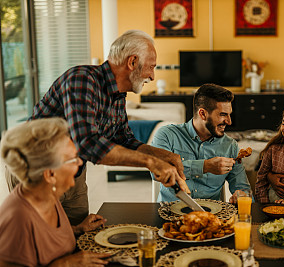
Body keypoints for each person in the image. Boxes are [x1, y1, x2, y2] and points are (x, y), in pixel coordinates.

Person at [5, 30, 189, 225]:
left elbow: (124, 139)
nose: (152, 76)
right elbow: (87, 143)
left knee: (77, 240)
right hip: (37, 173)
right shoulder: (81, 79)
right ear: (132, 62)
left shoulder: (118, 94)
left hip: (72, 174)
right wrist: (150, 163)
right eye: (151, 67)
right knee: (42, 246)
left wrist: (163, 155)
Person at [0, 118, 111, 267]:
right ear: (50, 174)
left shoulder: (48, 195)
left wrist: (78, 228)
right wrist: (64, 264)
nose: (80, 163)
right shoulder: (17, 219)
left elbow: (42, 240)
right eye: (73, 160)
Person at [151, 84, 251, 203]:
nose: (229, 121)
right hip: (170, 213)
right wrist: (205, 166)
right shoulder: (167, 134)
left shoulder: (230, 146)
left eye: (229, 114)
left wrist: (242, 194)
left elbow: (242, 187)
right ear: (202, 114)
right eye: (223, 114)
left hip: (210, 217)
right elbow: (157, 171)